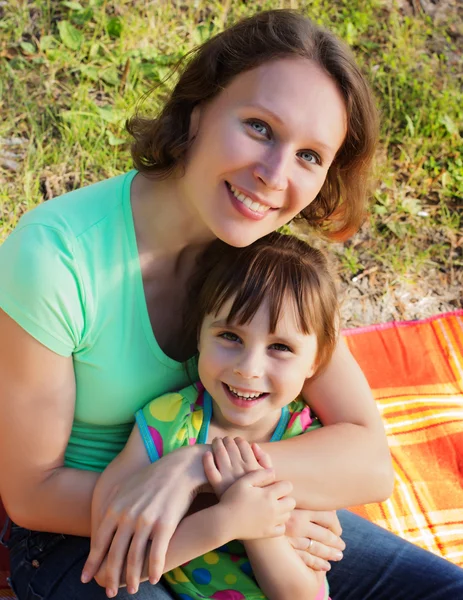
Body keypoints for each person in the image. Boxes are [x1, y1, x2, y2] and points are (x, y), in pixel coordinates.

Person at [0, 8, 461, 600]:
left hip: (253, 505)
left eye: (309, 156)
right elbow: (32, 493)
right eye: (260, 127)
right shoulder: (54, 259)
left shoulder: (261, 255)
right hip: (86, 531)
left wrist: (196, 468)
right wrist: (224, 502)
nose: (274, 175)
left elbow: (369, 457)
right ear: (199, 110)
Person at [89, 232, 338, 599]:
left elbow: (302, 593)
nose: (249, 369)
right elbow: (113, 559)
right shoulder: (166, 423)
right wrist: (225, 521)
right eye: (230, 337)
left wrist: (261, 530)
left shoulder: (306, 442)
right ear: (199, 335)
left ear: (315, 361)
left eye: (280, 347)